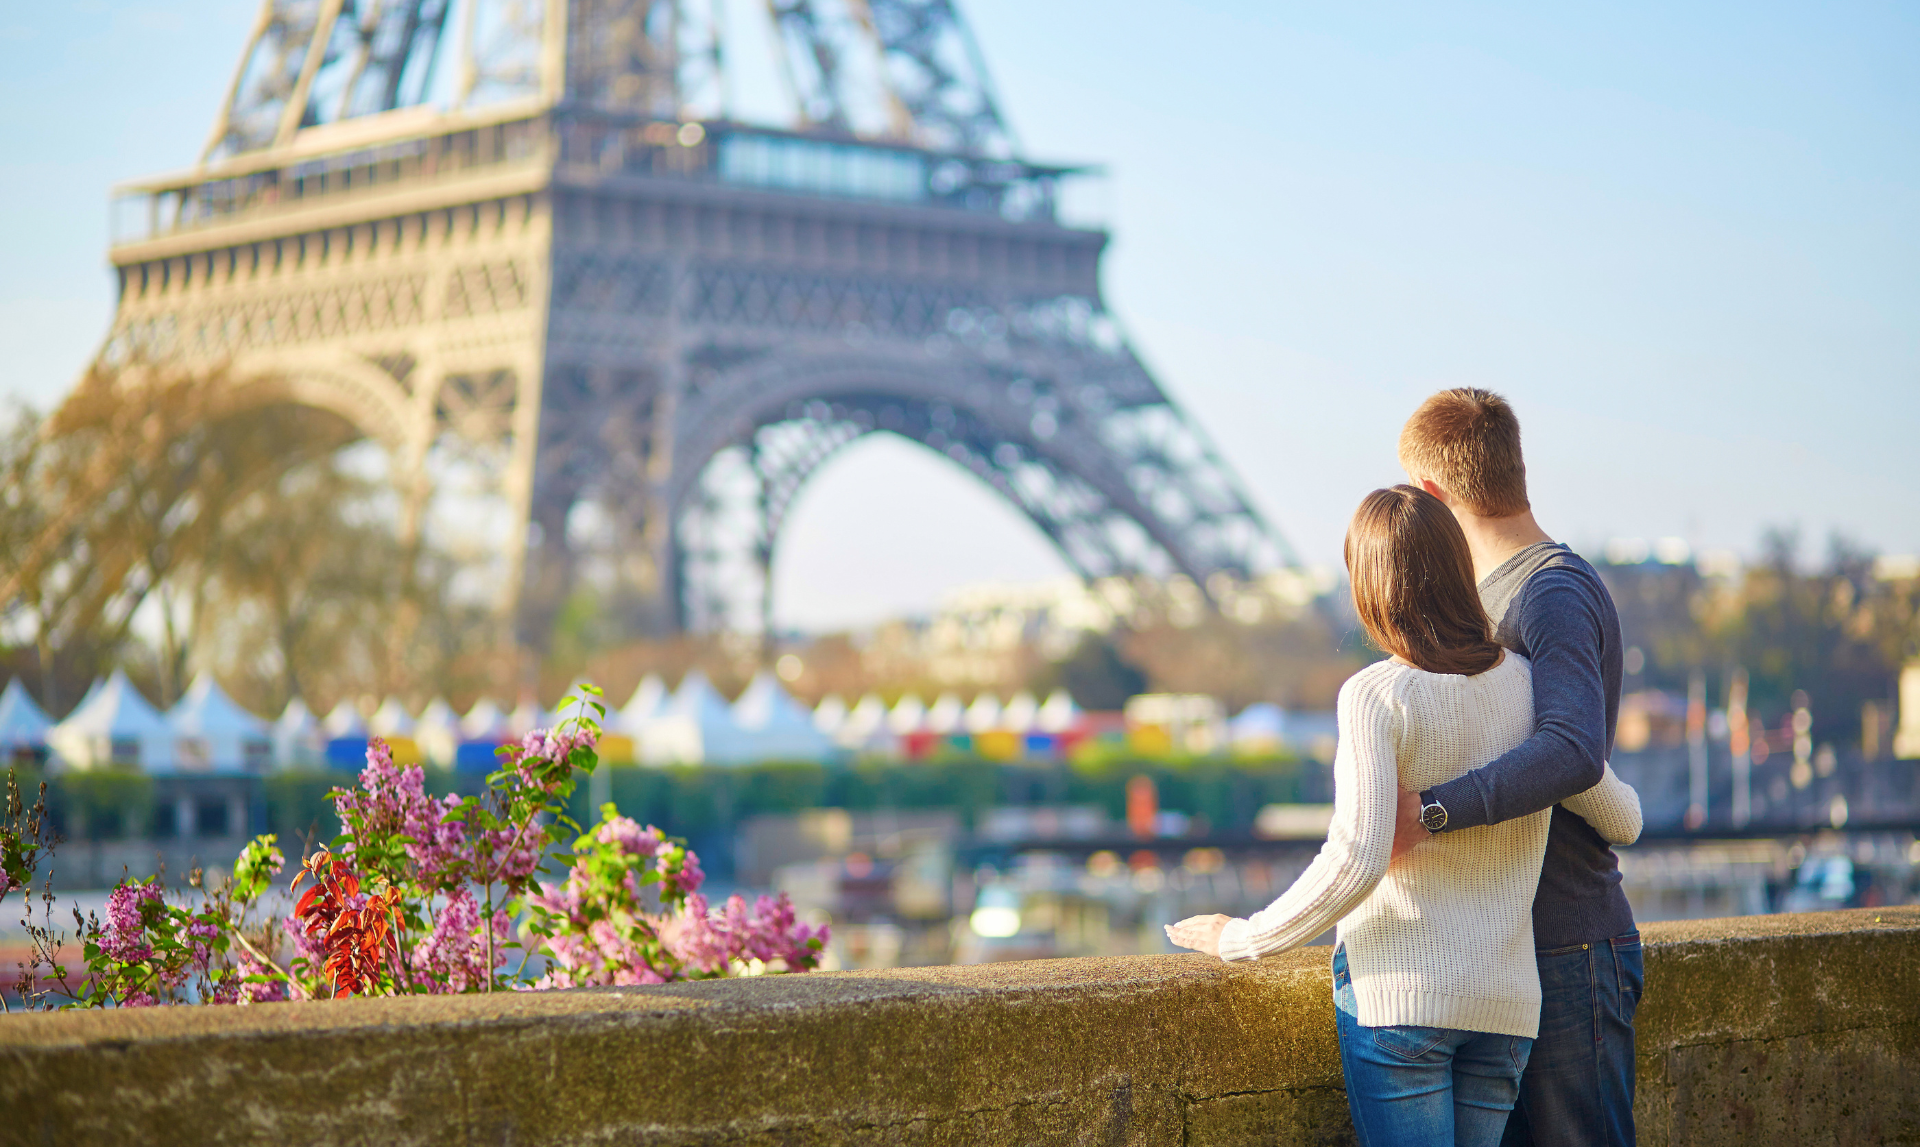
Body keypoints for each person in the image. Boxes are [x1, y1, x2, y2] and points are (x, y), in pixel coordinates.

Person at [1166, 485, 1641, 1147]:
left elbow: (1356, 858)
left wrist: (1241, 936)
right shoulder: (1530, 685)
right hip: (1504, 1011)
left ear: (1369, 588)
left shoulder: (1374, 695)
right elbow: (1623, 815)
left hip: (1403, 999)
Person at [1388, 388, 1642, 1147]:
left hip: (1566, 945)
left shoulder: (1550, 592)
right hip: (1514, 954)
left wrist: (1430, 809)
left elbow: (1572, 748)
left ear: (1433, 494)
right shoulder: (1503, 594)